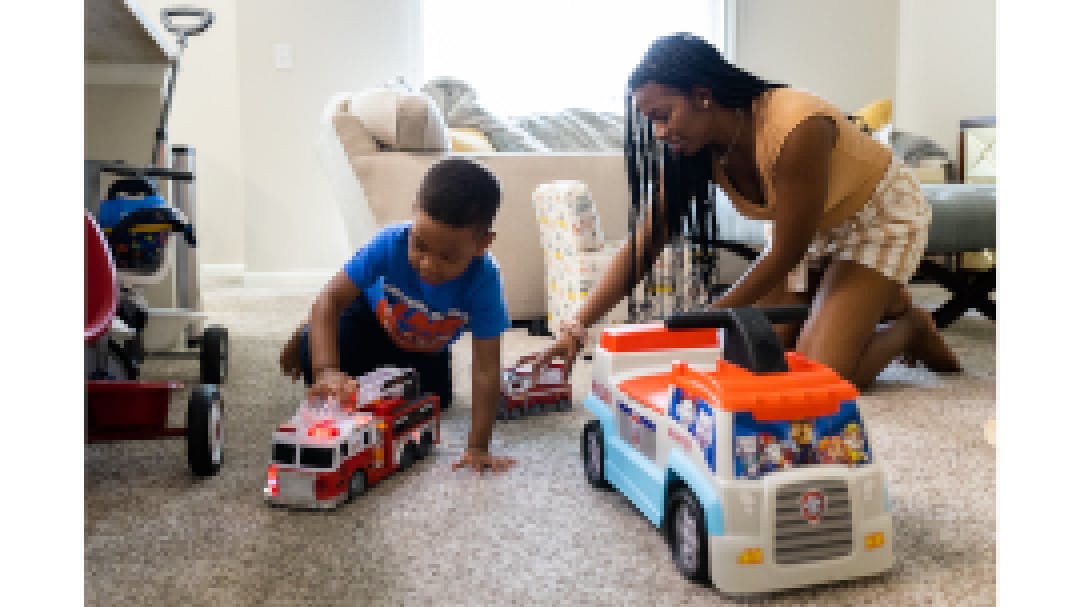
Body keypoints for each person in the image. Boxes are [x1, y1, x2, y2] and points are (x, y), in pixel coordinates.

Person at [525, 32, 961, 390]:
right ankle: (865, 300)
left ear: (702, 95)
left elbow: (786, 253)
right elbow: (645, 243)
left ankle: (910, 327)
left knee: (821, 374)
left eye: (663, 115)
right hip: (809, 228)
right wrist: (576, 325)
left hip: (875, 216)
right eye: (651, 122)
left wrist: (708, 316)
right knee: (757, 359)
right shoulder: (692, 148)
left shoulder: (796, 128)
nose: (659, 133)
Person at [279, 157, 516, 473]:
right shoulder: (389, 243)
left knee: (432, 404)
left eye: (447, 257)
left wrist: (477, 446)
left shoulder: (485, 280)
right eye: (420, 245)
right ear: (413, 210)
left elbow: (486, 368)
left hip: (425, 348)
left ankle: (332, 344)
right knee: (318, 353)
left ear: (482, 244)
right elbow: (331, 298)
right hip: (370, 322)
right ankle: (310, 330)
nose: (429, 264)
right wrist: (326, 371)